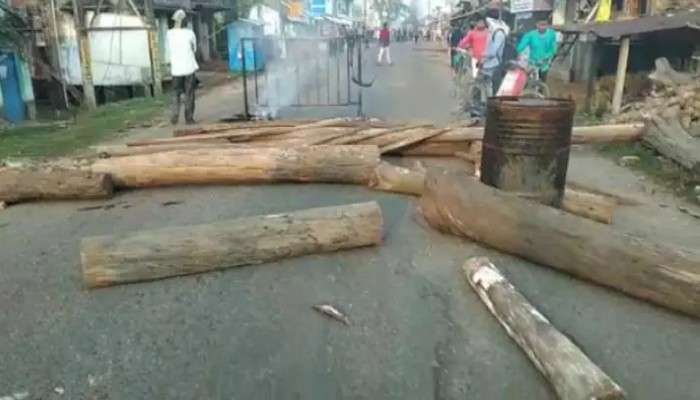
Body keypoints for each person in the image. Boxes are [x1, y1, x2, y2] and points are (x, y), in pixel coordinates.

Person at [167, 9, 199, 125]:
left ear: (174, 21)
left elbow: (168, 50)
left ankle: (174, 116)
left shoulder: (169, 34)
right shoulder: (190, 33)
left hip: (176, 70)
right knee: (189, 93)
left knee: (176, 93)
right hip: (189, 69)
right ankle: (189, 118)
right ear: (185, 21)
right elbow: (194, 49)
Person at [479, 17, 510, 94]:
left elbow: (493, 52)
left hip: (495, 64)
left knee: (493, 87)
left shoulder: (499, 33)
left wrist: (484, 55)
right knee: (486, 85)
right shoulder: (493, 32)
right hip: (489, 63)